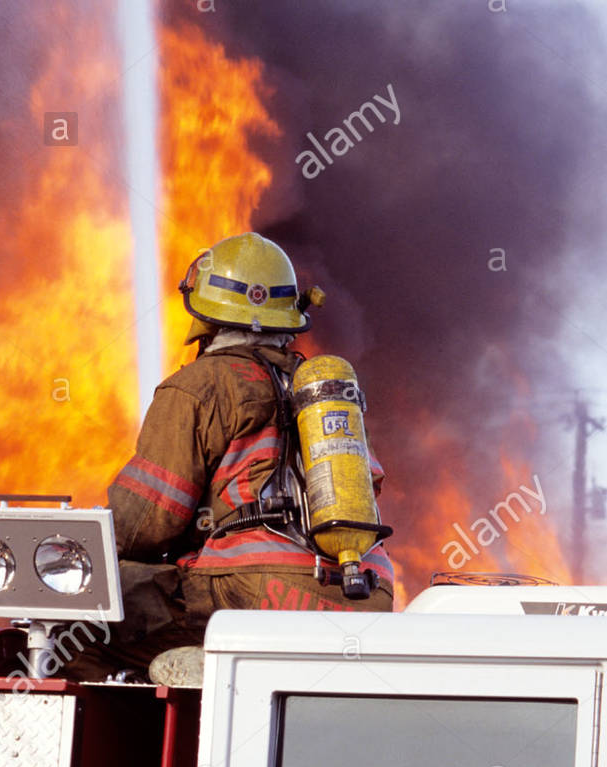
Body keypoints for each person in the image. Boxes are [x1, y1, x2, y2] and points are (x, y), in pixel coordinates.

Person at [66, 232, 394, 684]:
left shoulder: (200, 384)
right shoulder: (326, 393)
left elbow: (144, 522)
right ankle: (212, 683)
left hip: (251, 592)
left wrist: (74, 556)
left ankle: (181, 712)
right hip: (363, 595)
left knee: (75, 628)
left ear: (205, 311)